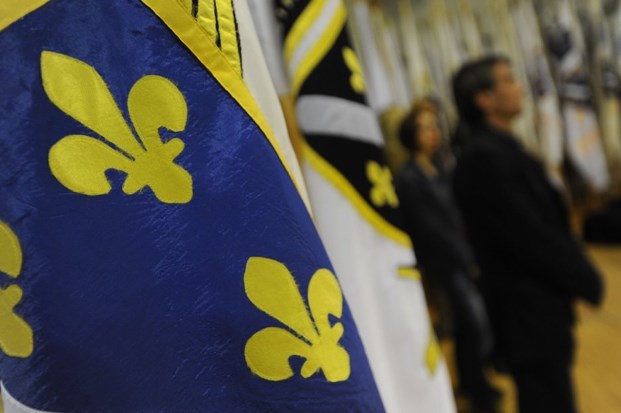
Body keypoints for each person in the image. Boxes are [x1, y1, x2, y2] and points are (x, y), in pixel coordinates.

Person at [450, 55, 604, 413]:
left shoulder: (501, 149)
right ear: (484, 99)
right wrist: (583, 276)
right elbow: (529, 236)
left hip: (539, 308)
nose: (519, 88)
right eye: (508, 80)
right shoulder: (484, 159)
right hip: (525, 312)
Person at [395, 100, 501, 413]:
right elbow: (430, 229)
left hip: (462, 256)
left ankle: (474, 383)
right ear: (411, 135)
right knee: (472, 322)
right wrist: (465, 258)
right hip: (443, 262)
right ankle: (476, 389)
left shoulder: (441, 167)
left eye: (435, 126)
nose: (434, 133)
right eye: (425, 128)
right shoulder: (409, 178)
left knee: (468, 326)